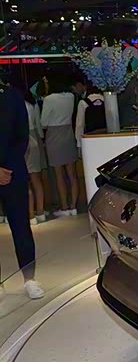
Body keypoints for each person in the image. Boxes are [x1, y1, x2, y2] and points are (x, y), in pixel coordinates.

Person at [0, 70, 45, 299]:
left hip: (12, 171)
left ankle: (30, 279)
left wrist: (6, 167)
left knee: (21, 227)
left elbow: (22, 137)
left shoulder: (12, 96)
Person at [41, 74, 79, 217]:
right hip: (68, 134)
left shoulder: (49, 99)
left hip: (54, 136)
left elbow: (43, 122)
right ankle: (73, 207)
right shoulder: (70, 96)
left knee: (59, 175)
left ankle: (64, 207)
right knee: (72, 174)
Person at [24, 90, 47, 225]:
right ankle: (40, 212)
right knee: (36, 179)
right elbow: (39, 125)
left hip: (21, 139)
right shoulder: (32, 103)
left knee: (24, 180)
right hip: (34, 139)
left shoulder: (13, 102)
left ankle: (30, 215)